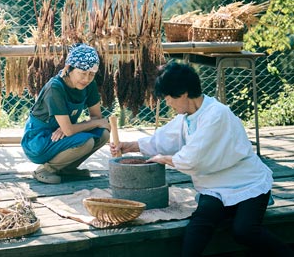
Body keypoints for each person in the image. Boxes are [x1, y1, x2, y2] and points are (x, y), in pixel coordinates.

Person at [111, 61, 292, 257]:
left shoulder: (217, 114)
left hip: (248, 184)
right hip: (214, 188)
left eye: (168, 98)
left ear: (184, 93)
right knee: (199, 225)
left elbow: (192, 158)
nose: (168, 103)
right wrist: (129, 146)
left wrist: (163, 158)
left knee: (244, 231)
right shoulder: (187, 116)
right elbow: (163, 138)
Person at [21, 43, 111, 184]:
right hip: (38, 140)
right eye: (82, 73)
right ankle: (46, 170)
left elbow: (96, 118)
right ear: (69, 68)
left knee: (103, 133)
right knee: (86, 141)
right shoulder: (55, 87)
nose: (86, 79)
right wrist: (71, 128)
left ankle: (66, 169)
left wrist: (71, 128)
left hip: (62, 137)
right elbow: (71, 130)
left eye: (91, 74)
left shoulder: (89, 85)